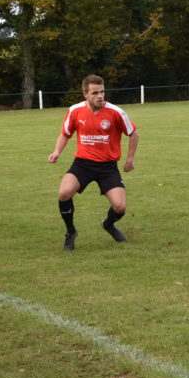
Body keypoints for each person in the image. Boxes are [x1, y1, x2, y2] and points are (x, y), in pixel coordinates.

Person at [48, 74, 139, 251]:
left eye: (102, 92)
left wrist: (129, 159)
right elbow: (66, 133)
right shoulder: (75, 110)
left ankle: (108, 224)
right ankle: (71, 232)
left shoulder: (116, 112)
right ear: (85, 94)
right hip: (83, 164)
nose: (100, 96)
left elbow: (133, 134)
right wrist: (56, 152)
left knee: (120, 207)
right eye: (95, 93)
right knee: (64, 193)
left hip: (108, 166)